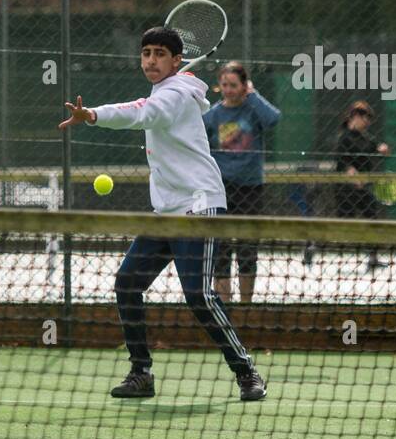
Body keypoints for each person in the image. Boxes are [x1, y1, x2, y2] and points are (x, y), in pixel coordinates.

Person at [59, 25, 267, 403]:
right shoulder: (168, 90)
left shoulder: (176, 95)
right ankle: (141, 373)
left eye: (159, 54)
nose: (151, 60)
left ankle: (246, 371)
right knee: (127, 283)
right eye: (146, 53)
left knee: (200, 296)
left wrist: (91, 114)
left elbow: (142, 113)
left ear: (176, 61)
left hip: (199, 205)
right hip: (167, 211)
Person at [201, 61, 281, 304]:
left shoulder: (253, 109)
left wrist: (253, 95)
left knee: (247, 250)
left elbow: (274, 119)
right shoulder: (212, 115)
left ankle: (247, 307)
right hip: (220, 190)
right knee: (221, 251)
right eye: (224, 84)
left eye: (233, 85)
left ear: (244, 86)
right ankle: (224, 309)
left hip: (251, 190)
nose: (228, 89)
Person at [334, 100, 389, 270]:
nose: (368, 122)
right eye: (366, 118)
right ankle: (313, 247)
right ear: (355, 116)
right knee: (344, 225)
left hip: (363, 189)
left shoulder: (365, 136)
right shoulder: (344, 137)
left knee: (372, 218)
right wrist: (353, 177)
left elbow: (376, 147)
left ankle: (373, 258)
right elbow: (343, 162)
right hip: (345, 190)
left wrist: (382, 149)